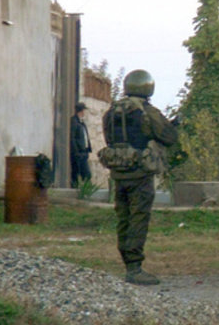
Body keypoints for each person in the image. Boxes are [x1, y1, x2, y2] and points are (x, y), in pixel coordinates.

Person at [100, 69, 178, 285]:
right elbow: (169, 136)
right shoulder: (147, 111)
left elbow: (109, 139)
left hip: (118, 173)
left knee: (123, 219)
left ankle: (128, 262)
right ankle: (134, 268)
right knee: (138, 218)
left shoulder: (112, 112)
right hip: (140, 174)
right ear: (148, 88)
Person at [70, 102, 92, 188]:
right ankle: (76, 189)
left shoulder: (81, 122)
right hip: (78, 152)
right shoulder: (74, 121)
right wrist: (76, 151)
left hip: (84, 151)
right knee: (80, 173)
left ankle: (85, 190)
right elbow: (72, 137)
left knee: (85, 174)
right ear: (81, 111)